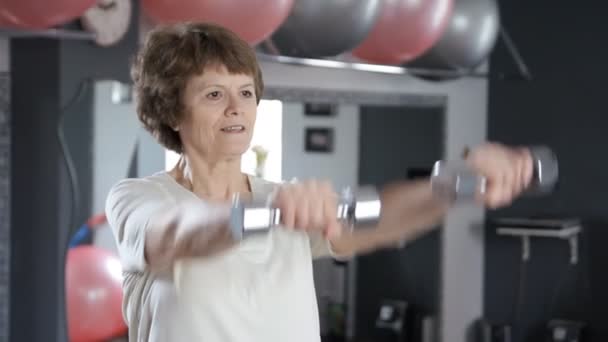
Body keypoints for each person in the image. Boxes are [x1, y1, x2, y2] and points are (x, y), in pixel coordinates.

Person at [105, 22, 535, 342]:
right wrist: (269, 214)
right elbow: (177, 236)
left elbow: (379, 219)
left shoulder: (281, 197)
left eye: (247, 92)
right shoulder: (139, 198)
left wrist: (458, 186)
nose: (237, 108)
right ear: (171, 112)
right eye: (214, 94)